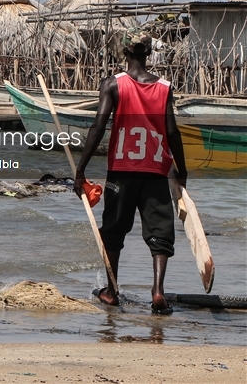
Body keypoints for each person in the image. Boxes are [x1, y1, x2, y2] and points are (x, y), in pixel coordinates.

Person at [74, 27, 187, 315]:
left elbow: (98, 127)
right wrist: (181, 169)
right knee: (160, 233)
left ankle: (111, 292)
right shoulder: (164, 88)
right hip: (155, 170)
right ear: (148, 53)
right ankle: (158, 291)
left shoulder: (113, 84)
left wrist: (81, 169)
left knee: (113, 231)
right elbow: (172, 132)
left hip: (122, 171)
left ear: (124, 51)